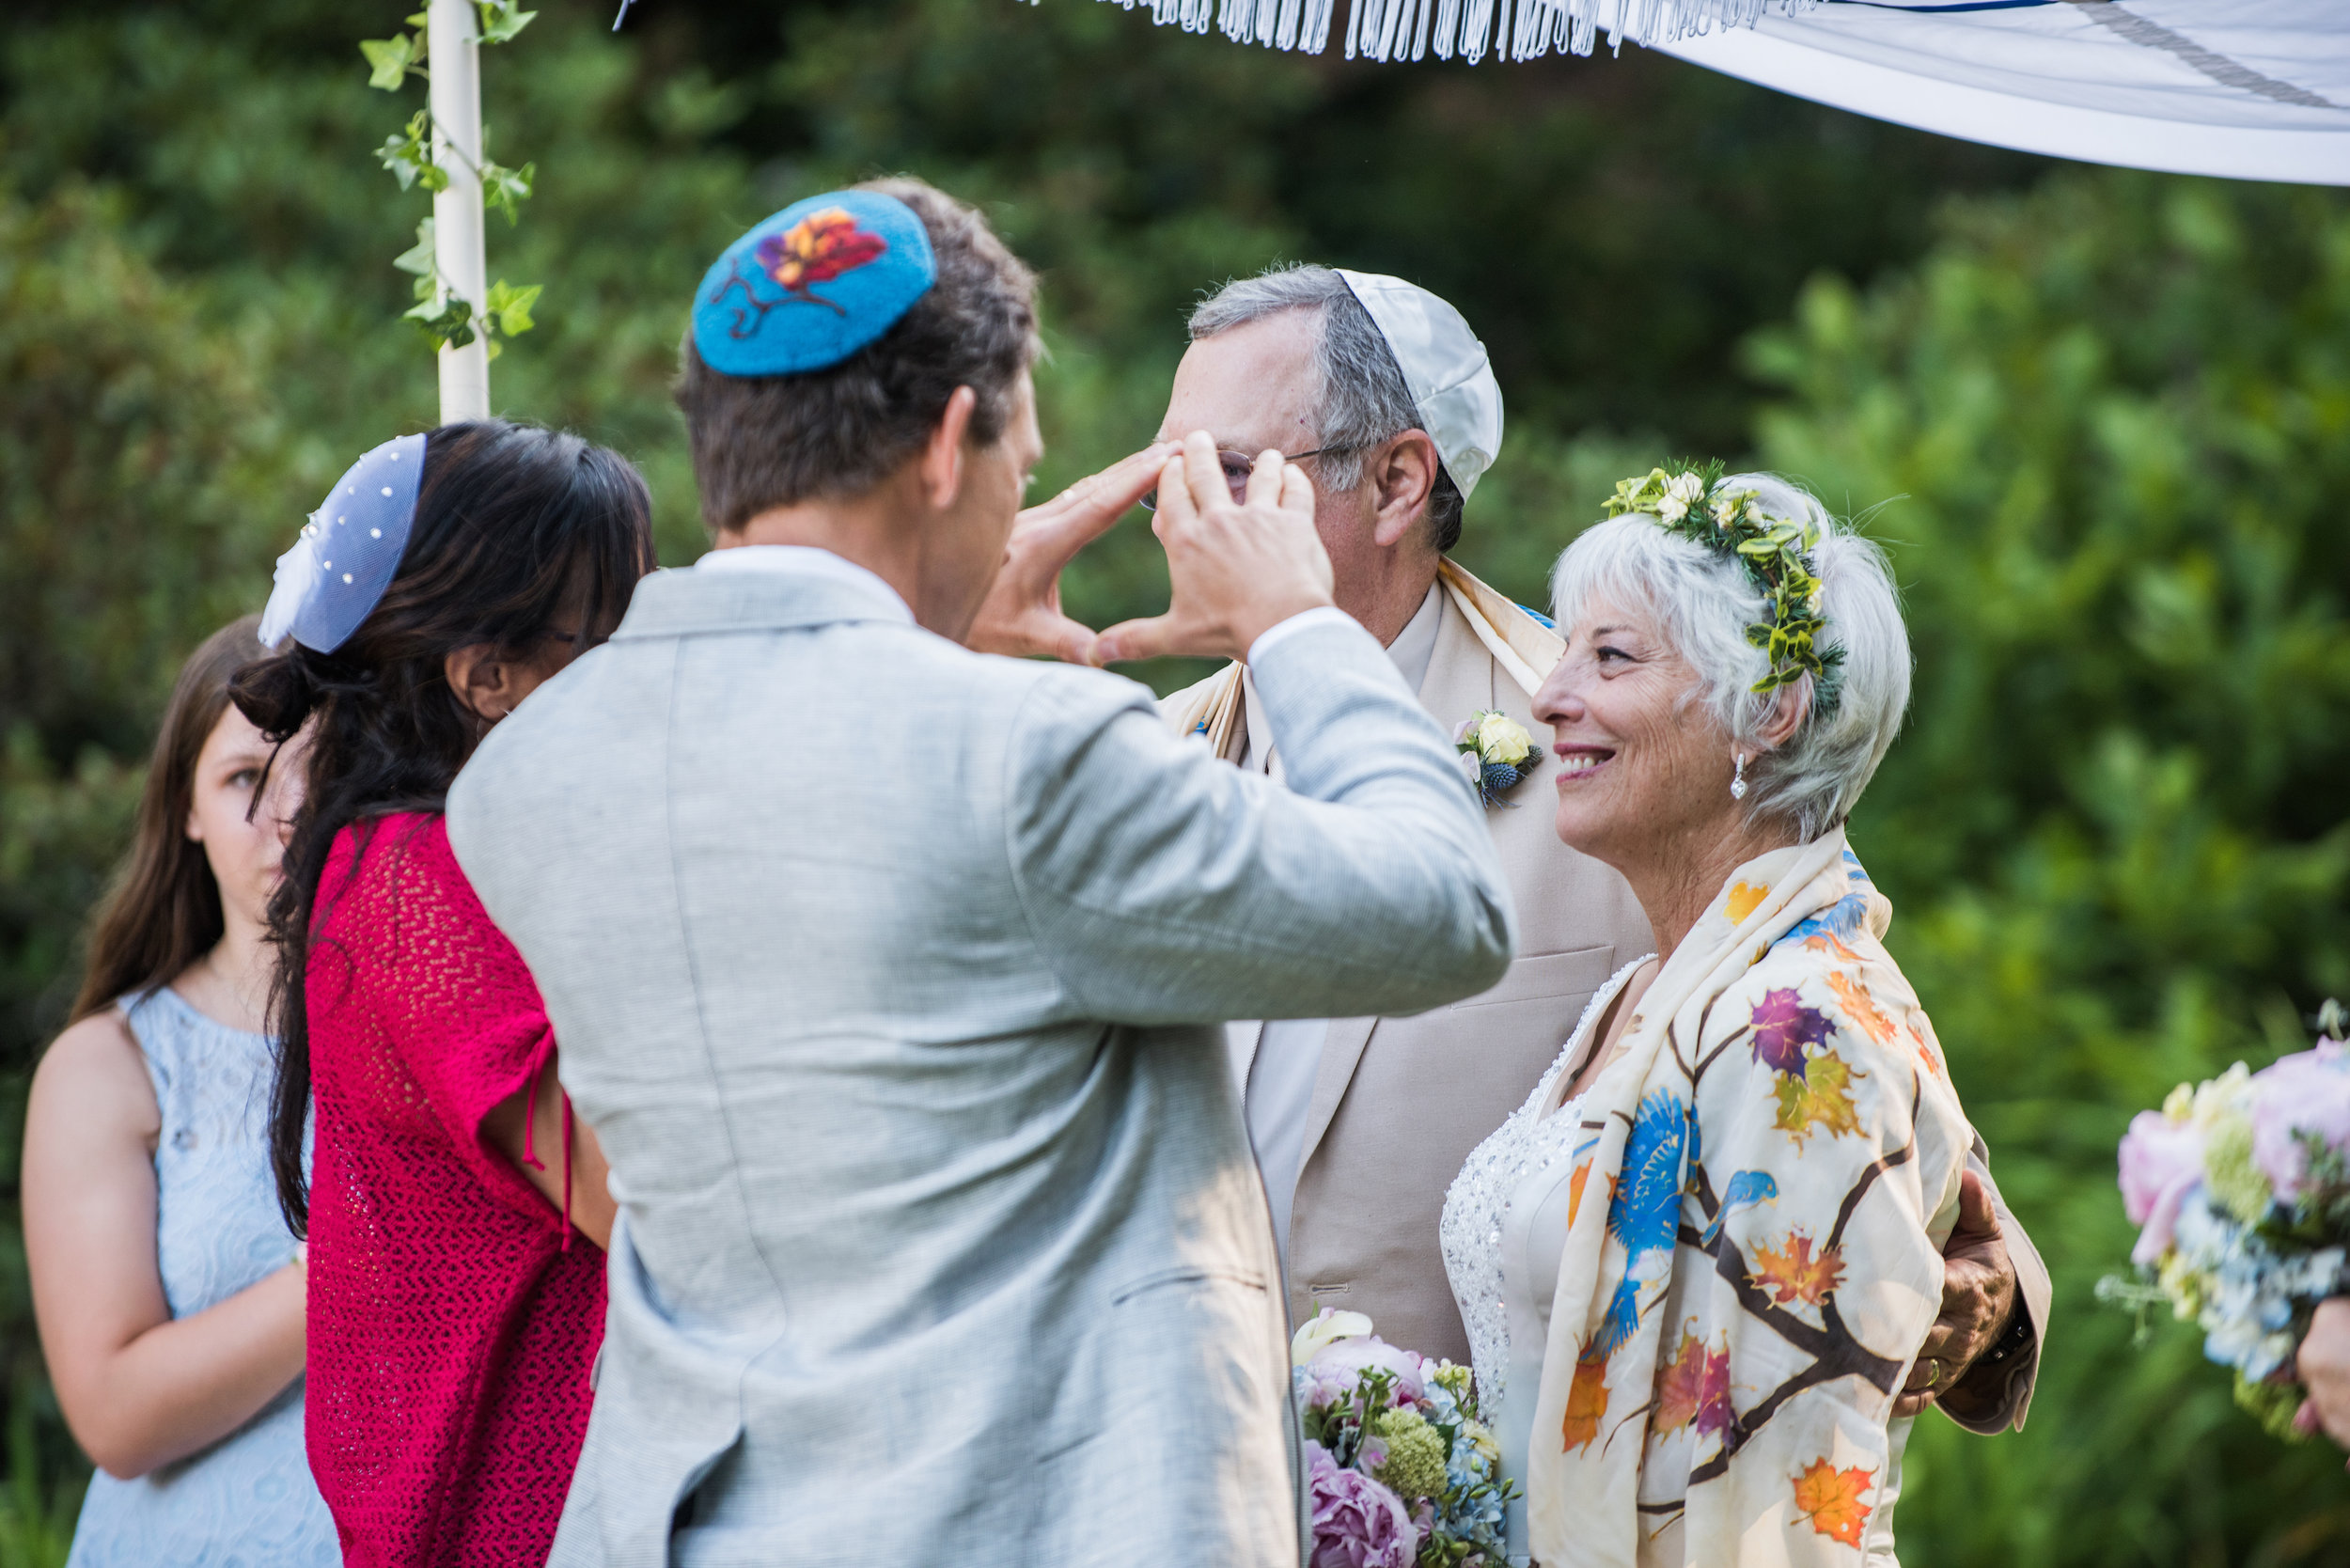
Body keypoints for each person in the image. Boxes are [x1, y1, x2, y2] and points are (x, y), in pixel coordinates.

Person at [441, 177, 1514, 1566]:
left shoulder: (525, 775)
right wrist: (1298, 625)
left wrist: (944, 651)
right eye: (1025, 453)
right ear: (951, 444)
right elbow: (1445, 906)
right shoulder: (1025, 754)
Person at [1128, 262, 2047, 1430]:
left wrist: (1947, 1305)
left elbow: (1864, 1059)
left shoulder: (1613, 751)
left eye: (1230, 472)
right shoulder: (1150, 756)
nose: (1175, 511)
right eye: (1168, 471)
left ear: (1399, 480)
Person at [1440, 467, 1976, 1563]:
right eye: (1565, 651)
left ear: (1765, 713)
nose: (1546, 695)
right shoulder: (1641, 994)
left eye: (1612, 657)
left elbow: (1781, 1497)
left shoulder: (1800, 1027)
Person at [230, 419, 653, 1568]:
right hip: (520, 1521)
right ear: (488, 676)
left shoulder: (410, 867)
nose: (646, 667)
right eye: (610, 632)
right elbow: (644, 1201)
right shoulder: (422, 885)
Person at [24, 615, 337, 1568]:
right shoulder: (111, 1064)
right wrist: (344, 1267)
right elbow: (114, 1416)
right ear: (189, 808)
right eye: (245, 777)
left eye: (323, 773)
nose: (288, 812)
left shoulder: (439, 1032)